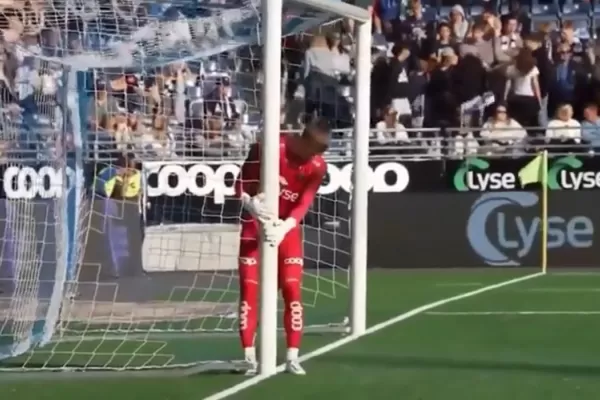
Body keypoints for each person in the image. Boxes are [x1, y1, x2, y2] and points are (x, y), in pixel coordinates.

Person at [234, 118, 330, 376]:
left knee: (291, 288)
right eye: (312, 150)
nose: (313, 157)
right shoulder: (269, 147)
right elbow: (239, 184)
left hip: (286, 231)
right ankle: (248, 356)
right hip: (254, 225)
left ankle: (292, 356)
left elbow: (304, 203)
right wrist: (250, 204)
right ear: (303, 140)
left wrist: (285, 226)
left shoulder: (317, 167)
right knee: (249, 289)